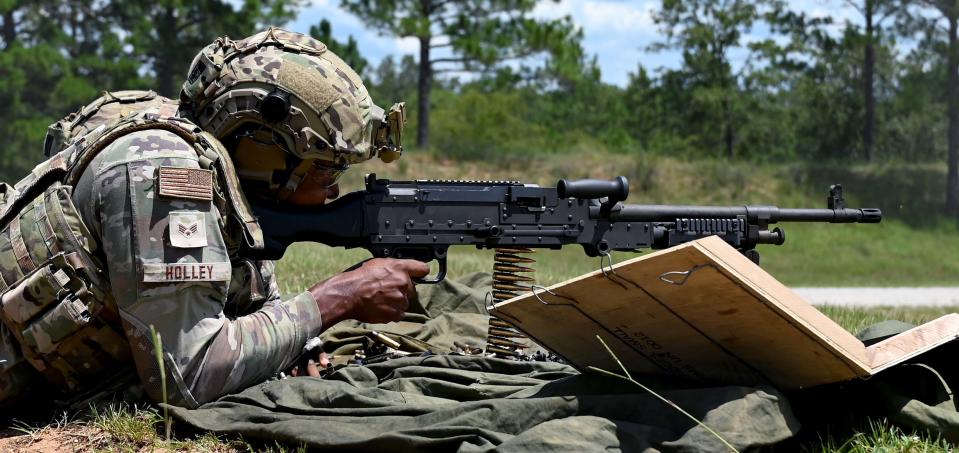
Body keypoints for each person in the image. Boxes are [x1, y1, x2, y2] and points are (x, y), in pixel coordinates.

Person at [0, 28, 426, 410]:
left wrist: (298, 341)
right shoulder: (164, 169)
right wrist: (339, 297)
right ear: (264, 152)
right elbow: (188, 377)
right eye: (325, 171)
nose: (333, 190)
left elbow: (248, 298)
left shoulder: (216, 168)